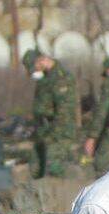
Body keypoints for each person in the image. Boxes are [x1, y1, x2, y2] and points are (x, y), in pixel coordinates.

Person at [23, 49, 79, 178]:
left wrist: (54, 134)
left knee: (54, 169)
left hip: (58, 131)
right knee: (36, 169)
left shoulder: (60, 77)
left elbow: (64, 110)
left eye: (34, 67)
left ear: (40, 60)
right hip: (44, 129)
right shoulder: (46, 77)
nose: (34, 71)